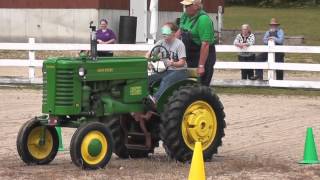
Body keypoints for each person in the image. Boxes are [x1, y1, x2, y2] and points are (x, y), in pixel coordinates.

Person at [132, 22, 187, 148]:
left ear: (173, 33)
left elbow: (182, 62)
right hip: (168, 70)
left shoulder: (179, 44)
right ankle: (141, 99)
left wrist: (173, 63)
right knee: (149, 79)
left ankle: (155, 100)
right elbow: (150, 53)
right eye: (163, 34)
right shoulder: (161, 43)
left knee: (165, 81)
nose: (165, 37)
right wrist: (148, 60)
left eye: (167, 34)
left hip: (179, 71)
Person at [178, 0, 216, 86]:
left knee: (201, 84)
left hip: (204, 55)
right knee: (191, 83)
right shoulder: (185, 16)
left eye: (187, 6)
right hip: (191, 55)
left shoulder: (204, 19)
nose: (185, 8)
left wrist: (201, 66)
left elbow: (205, 44)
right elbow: (180, 31)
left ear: (196, 6)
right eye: (185, 6)